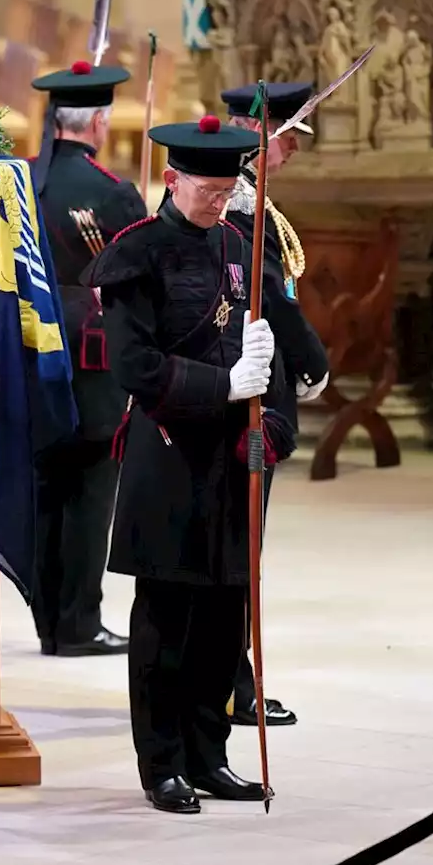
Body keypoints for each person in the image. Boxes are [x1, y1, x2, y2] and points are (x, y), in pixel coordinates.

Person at [87, 115, 295, 815]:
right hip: (169, 453)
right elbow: (134, 365)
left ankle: (211, 756)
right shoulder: (135, 256)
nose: (218, 199)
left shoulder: (243, 246)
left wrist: (272, 421)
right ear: (172, 179)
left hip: (234, 460)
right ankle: (163, 764)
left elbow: (277, 359)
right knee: (165, 621)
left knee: (223, 618)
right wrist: (221, 387)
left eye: (228, 186)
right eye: (207, 188)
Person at [27, 61, 147, 658]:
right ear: (99, 121)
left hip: (34, 352)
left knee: (47, 489)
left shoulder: (24, 182)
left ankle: (49, 618)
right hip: (93, 356)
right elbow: (139, 278)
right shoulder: (112, 192)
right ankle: (80, 623)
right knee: (92, 493)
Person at [221, 81, 331, 729]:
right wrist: (313, 363)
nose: (288, 153)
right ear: (255, 135)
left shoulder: (247, 200)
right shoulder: (236, 209)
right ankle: (233, 682)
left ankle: (238, 677)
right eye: (285, 140)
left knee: (242, 548)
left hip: (260, 394)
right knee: (237, 548)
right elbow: (272, 298)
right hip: (245, 400)